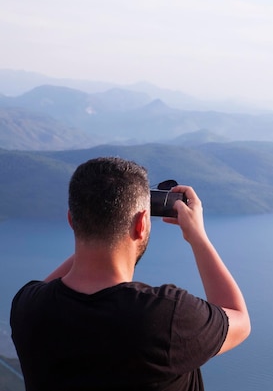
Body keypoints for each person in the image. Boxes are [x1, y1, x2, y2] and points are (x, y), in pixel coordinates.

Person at [10, 157, 251, 391]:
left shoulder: (27, 308)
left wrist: (97, 228)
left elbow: (48, 287)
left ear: (72, 220)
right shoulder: (166, 316)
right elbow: (239, 320)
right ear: (141, 224)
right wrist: (197, 236)